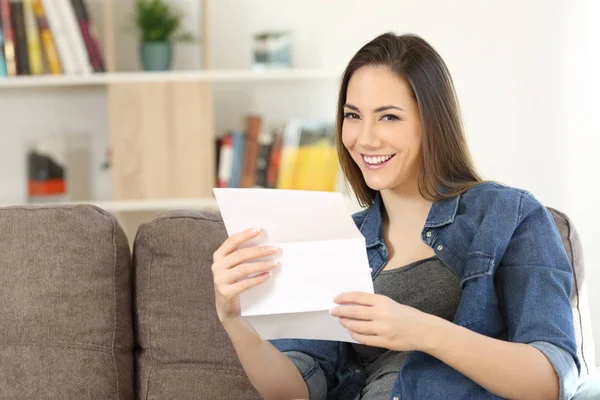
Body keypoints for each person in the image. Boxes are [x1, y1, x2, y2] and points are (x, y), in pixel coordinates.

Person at [211, 32, 600, 400]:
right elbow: (295, 389)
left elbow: (554, 377)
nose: (365, 139)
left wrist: (422, 330)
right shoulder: (336, 238)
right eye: (352, 116)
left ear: (431, 122)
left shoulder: (508, 217)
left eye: (389, 117)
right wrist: (234, 321)